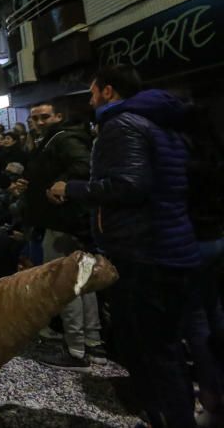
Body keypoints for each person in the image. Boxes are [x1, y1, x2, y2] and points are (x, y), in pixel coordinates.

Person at [51, 66, 200, 428]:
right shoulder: (164, 125)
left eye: (92, 93)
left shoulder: (123, 125)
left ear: (108, 91)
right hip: (171, 246)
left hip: (143, 252)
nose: (89, 100)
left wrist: (71, 189)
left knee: (148, 349)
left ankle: (167, 417)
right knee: (164, 346)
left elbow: (130, 185)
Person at [16, 101, 98, 371]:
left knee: (66, 284)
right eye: (34, 118)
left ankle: (75, 350)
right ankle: (92, 341)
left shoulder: (63, 139)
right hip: (70, 223)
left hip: (63, 223)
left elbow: (84, 166)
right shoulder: (54, 140)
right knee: (82, 282)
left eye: (44, 117)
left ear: (59, 116)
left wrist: (60, 186)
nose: (38, 122)